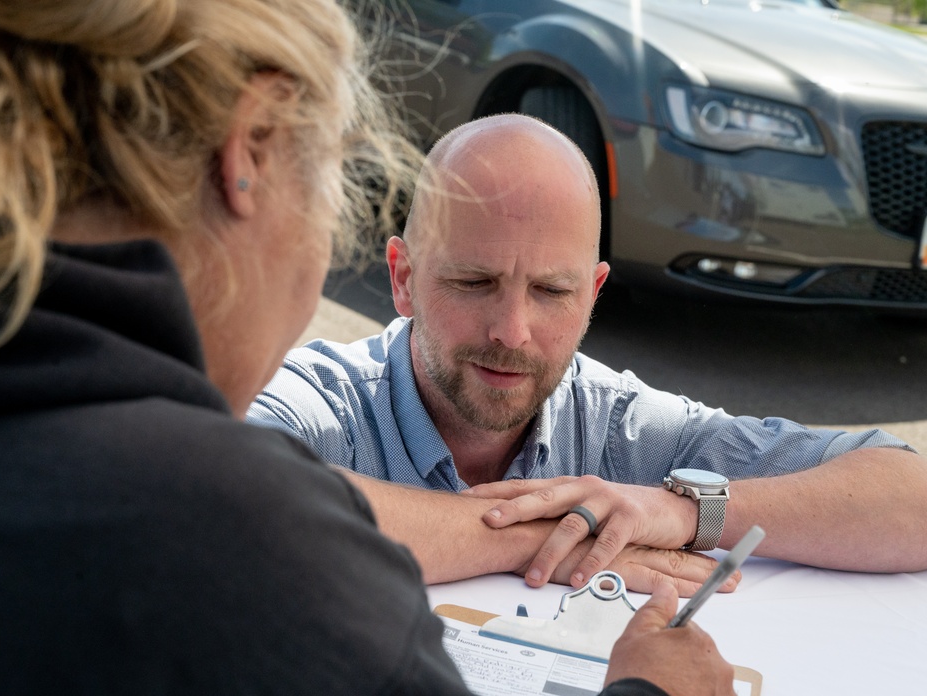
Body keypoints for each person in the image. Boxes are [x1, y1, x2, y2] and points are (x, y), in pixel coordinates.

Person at [0, 1, 738, 694]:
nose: (511, 330)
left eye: (551, 291)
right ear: (253, 144)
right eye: (336, 174)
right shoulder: (238, 528)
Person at [249, 113, 927, 595]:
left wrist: (687, 514)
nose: (512, 330)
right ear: (403, 278)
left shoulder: (621, 427)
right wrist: (544, 533)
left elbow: (910, 497)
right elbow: (235, 502)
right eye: (473, 281)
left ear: (593, 293)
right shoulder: (323, 401)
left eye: (551, 290)